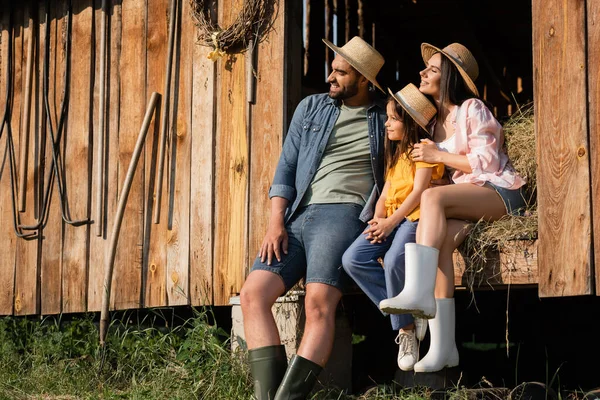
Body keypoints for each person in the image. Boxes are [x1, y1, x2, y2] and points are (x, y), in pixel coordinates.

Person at [239, 36, 387, 400]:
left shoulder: (385, 117)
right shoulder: (311, 108)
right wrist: (276, 220)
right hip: (296, 214)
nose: (331, 78)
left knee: (317, 303)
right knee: (252, 295)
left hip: (343, 215)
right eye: (332, 69)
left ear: (364, 79)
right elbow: (286, 166)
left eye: (341, 72)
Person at [379, 42, 527, 373]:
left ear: (448, 78)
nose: (422, 72)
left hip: (500, 191)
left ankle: (417, 290)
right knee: (443, 241)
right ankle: (444, 347)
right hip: (468, 196)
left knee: (432, 197)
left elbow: (486, 162)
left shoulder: (472, 108)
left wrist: (439, 156)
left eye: (431, 69)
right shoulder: (432, 124)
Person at [341, 83, 443, 372]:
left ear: (409, 120)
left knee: (395, 260)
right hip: (391, 220)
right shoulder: (397, 154)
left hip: (414, 218)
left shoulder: (422, 150)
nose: (386, 124)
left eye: (392, 118)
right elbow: (385, 192)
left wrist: (390, 223)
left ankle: (406, 330)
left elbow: (419, 192)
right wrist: (377, 219)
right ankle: (408, 315)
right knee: (353, 259)